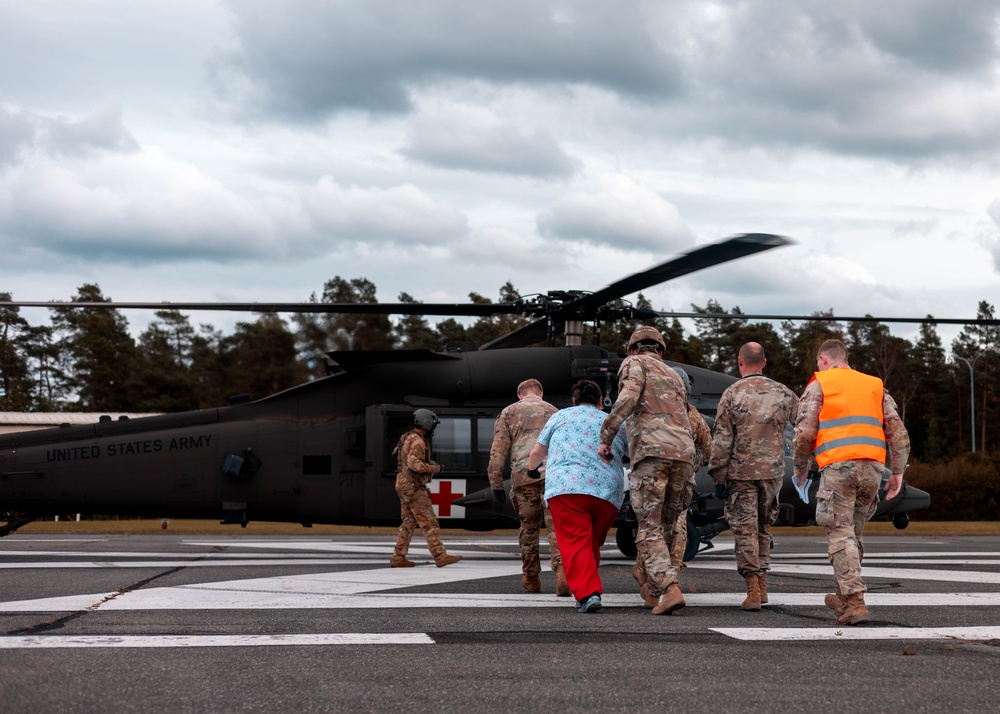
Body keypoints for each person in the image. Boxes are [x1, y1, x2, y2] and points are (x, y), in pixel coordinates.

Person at [792, 339, 910, 625]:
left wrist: (800, 469)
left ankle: (855, 599)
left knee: (839, 531)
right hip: (872, 468)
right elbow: (898, 431)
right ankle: (843, 598)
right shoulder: (874, 385)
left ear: (823, 360)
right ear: (846, 358)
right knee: (852, 533)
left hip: (839, 466)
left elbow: (805, 432)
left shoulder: (820, 383)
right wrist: (898, 471)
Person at [598, 326, 696, 616]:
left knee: (649, 526)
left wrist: (606, 437)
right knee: (666, 526)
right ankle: (654, 593)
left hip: (652, 454)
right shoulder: (675, 376)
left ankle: (669, 588)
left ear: (633, 349)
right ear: (661, 350)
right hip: (683, 456)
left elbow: (627, 399)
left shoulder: (634, 364)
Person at [708, 341, 798, 611]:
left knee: (745, 530)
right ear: (764, 362)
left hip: (741, 474)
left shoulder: (732, 394)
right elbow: (805, 424)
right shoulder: (783, 393)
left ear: (740, 362)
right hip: (772, 473)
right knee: (763, 528)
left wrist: (718, 475)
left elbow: (722, 439)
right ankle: (762, 583)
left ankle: (753, 590)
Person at [527, 380, 628, 613]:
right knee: (590, 541)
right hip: (607, 492)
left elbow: (537, 451)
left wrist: (531, 469)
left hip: (567, 488)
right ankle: (584, 589)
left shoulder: (560, 417)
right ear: (601, 402)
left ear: (573, 400)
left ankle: (588, 594)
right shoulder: (613, 421)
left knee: (576, 542)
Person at [631, 366, 711, 590]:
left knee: (649, 527)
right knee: (675, 530)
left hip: (651, 478)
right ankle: (667, 581)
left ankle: (647, 573)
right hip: (681, 481)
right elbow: (709, 448)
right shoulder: (691, 414)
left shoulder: (645, 411)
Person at [488, 378, 566, 594]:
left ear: (519, 395)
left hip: (524, 477)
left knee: (528, 526)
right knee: (555, 526)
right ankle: (562, 571)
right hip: (553, 475)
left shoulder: (508, 412)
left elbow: (499, 450)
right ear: (540, 394)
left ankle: (531, 578)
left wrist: (495, 482)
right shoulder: (554, 411)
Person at [390, 408, 462, 568]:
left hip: (403, 483)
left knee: (408, 522)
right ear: (427, 423)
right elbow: (414, 464)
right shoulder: (418, 441)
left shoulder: (405, 438)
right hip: (413, 486)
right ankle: (440, 555)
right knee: (429, 522)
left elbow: (398, 457)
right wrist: (434, 468)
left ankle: (398, 556)